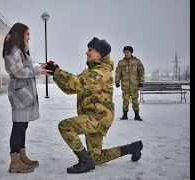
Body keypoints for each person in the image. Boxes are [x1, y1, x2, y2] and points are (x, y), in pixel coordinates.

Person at [45, 37, 143, 174]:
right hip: (92, 116)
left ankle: (84, 162)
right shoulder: (89, 72)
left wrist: (57, 71)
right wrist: (54, 73)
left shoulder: (102, 72)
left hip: (99, 117)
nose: (86, 52)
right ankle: (132, 148)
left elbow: (77, 83)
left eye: (90, 50)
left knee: (65, 126)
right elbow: (70, 88)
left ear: (100, 54)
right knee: (96, 157)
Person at [3, 23, 52, 173]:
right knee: (18, 127)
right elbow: (18, 71)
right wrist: (38, 70)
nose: (29, 38)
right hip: (20, 92)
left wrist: (40, 67)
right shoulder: (13, 50)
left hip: (24, 92)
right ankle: (15, 163)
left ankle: (22, 157)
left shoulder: (19, 50)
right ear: (19, 34)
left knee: (23, 126)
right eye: (27, 34)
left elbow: (25, 67)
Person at [115, 46, 145, 121]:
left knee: (135, 100)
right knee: (125, 100)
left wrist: (141, 82)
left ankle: (137, 115)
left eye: (127, 52)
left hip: (134, 85)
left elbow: (141, 72)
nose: (126, 54)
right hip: (125, 86)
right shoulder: (121, 62)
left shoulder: (137, 61)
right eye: (125, 52)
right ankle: (125, 115)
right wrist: (117, 81)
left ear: (131, 52)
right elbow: (118, 73)